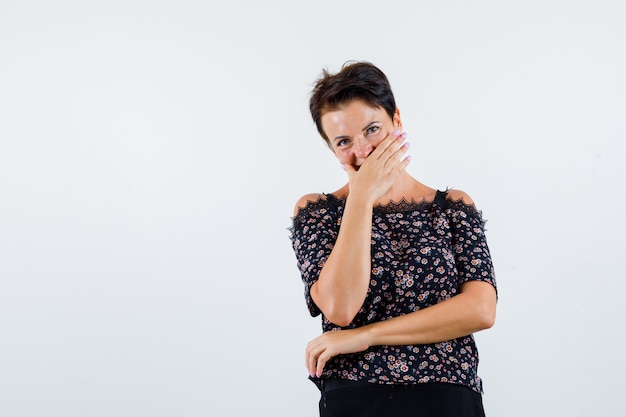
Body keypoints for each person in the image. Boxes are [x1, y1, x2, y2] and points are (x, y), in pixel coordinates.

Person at [289, 61, 498, 417]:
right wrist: (361, 198)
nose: (364, 150)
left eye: (372, 129)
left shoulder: (453, 207)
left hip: (446, 394)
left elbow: (480, 310)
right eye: (344, 142)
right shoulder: (317, 212)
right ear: (331, 149)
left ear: (396, 120)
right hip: (356, 398)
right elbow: (340, 308)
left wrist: (364, 335)